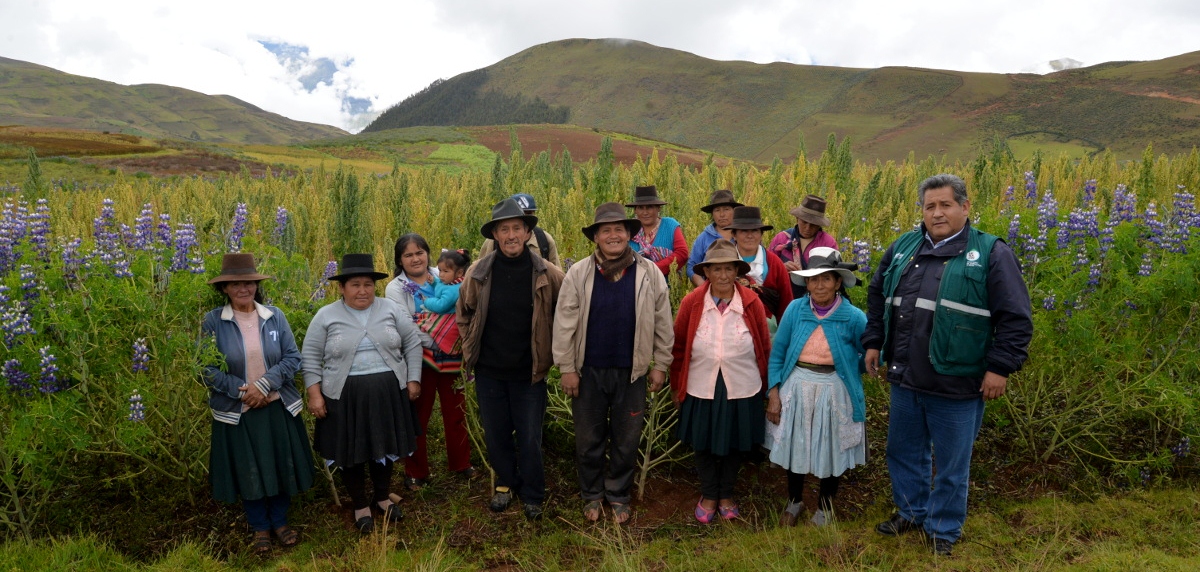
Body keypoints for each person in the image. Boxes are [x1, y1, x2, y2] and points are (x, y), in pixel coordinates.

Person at [863, 174, 1033, 556]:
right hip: (905, 375)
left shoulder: (990, 252)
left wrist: (1000, 367)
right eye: (930, 206)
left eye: (945, 205)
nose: (937, 213)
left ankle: (943, 529)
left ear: (965, 207)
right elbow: (877, 295)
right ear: (922, 211)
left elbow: (1016, 318)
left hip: (957, 381)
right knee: (903, 450)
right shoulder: (904, 246)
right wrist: (873, 341)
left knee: (953, 463)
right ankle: (910, 511)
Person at [552, 202, 674, 524]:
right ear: (596, 237)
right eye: (605, 230)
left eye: (619, 229)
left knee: (627, 438)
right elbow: (564, 323)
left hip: (631, 372)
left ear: (629, 235)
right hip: (588, 372)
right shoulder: (579, 273)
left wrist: (660, 363)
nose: (613, 235)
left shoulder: (649, 273)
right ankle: (591, 494)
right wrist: (567, 368)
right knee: (589, 439)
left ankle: (618, 493)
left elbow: (663, 321)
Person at [458, 198, 565, 520]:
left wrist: (554, 353)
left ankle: (533, 492)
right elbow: (463, 313)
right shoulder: (479, 273)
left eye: (516, 228)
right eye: (503, 229)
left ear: (527, 232)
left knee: (530, 436)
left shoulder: (548, 273)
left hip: (529, 373)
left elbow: (566, 314)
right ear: (495, 236)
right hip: (490, 372)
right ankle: (505, 483)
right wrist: (470, 348)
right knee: (497, 433)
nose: (510, 235)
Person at [303, 253, 423, 534]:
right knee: (351, 451)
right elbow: (309, 356)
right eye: (355, 284)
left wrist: (413, 379)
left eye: (368, 284)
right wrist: (315, 394)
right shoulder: (326, 315)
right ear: (342, 288)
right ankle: (359, 504)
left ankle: (382, 497)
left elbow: (412, 343)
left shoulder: (390, 309)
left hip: (388, 394)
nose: (362, 290)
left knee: (386, 447)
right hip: (344, 396)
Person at [202, 253, 313, 555]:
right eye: (235, 284)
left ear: (256, 285)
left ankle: (280, 521)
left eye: (248, 282)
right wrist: (244, 393)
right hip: (239, 410)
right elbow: (207, 368)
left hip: (276, 405)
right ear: (224, 288)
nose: (243, 288)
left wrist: (264, 385)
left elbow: (293, 358)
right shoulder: (214, 321)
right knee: (248, 470)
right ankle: (259, 527)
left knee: (279, 466)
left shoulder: (274, 316)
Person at [669, 239, 771, 523]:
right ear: (708, 272)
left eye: (729, 269)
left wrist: (768, 387)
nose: (723, 276)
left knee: (735, 442)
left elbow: (764, 346)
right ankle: (709, 494)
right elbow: (679, 347)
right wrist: (676, 386)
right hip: (701, 383)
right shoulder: (692, 302)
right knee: (703, 442)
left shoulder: (751, 302)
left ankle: (726, 494)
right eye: (716, 269)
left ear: (737, 271)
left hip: (742, 384)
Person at [764, 247, 866, 528]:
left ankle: (825, 508)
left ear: (837, 282)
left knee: (831, 449)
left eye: (826, 279)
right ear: (806, 283)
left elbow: (869, 353)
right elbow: (779, 352)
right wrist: (774, 393)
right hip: (797, 385)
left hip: (834, 389)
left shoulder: (853, 316)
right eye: (813, 280)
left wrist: (848, 368)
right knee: (796, 446)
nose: (819, 285)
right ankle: (794, 502)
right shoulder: (796, 310)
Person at [385, 237, 476, 491]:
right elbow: (405, 327)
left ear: (428, 254)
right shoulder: (395, 288)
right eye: (408, 255)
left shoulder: (443, 273)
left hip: (453, 356)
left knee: (457, 411)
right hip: (419, 357)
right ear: (399, 260)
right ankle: (415, 470)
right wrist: (440, 339)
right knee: (418, 415)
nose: (416, 259)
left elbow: (465, 308)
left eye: (420, 252)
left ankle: (461, 463)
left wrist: (453, 338)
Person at [725, 206, 794, 321]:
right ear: (734, 235)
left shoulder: (774, 263)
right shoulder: (725, 261)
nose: (750, 236)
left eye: (755, 231)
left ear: (761, 234)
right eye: (744, 231)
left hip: (769, 333)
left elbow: (786, 303)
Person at [769, 194, 839, 298]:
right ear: (797, 218)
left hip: (816, 298)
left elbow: (834, 275)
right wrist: (782, 268)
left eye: (813, 224)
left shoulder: (828, 243)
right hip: (782, 297)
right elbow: (767, 268)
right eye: (804, 222)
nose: (807, 228)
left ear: (819, 224)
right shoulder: (782, 239)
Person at [479, 192, 560, 266]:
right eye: (521, 213)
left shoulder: (544, 239)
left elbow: (557, 276)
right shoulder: (492, 242)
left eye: (528, 213)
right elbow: (480, 271)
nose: (524, 217)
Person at [625, 185, 689, 278]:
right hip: (635, 287)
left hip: (667, 286)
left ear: (658, 208)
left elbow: (682, 253)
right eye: (640, 208)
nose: (645, 212)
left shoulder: (670, 225)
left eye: (649, 207)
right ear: (635, 210)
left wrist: (653, 270)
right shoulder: (629, 230)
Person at [687, 189, 742, 286]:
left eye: (726, 209)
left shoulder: (744, 235)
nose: (722, 214)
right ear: (712, 214)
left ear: (734, 211)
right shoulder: (704, 238)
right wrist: (704, 287)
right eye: (717, 210)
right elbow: (691, 266)